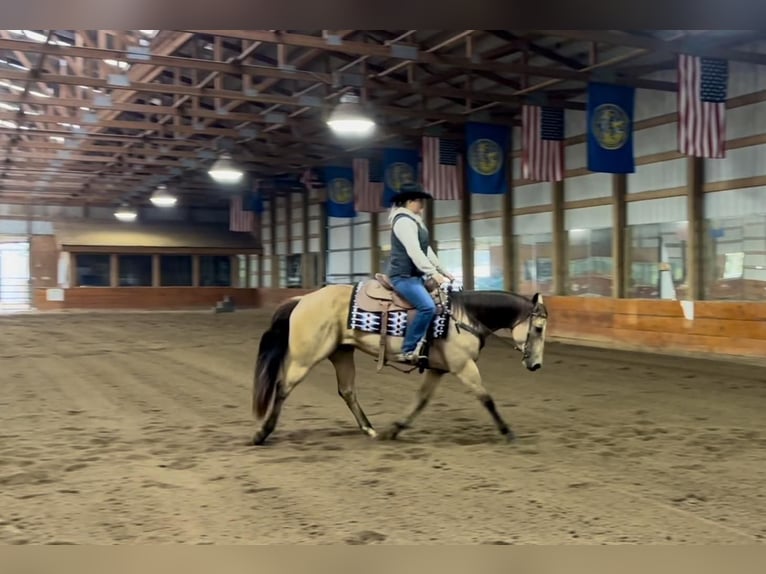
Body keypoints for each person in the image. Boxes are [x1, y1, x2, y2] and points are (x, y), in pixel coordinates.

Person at [386, 182, 454, 364]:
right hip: (403, 276)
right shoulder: (403, 222)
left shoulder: (413, 221)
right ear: (409, 201)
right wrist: (432, 273)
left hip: (415, 276)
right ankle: (407, 349)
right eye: (419, 202)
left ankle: (428, 344)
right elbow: (414, 251)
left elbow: (426, 250)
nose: (422, 206)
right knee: (427, 307)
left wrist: (442, 270)